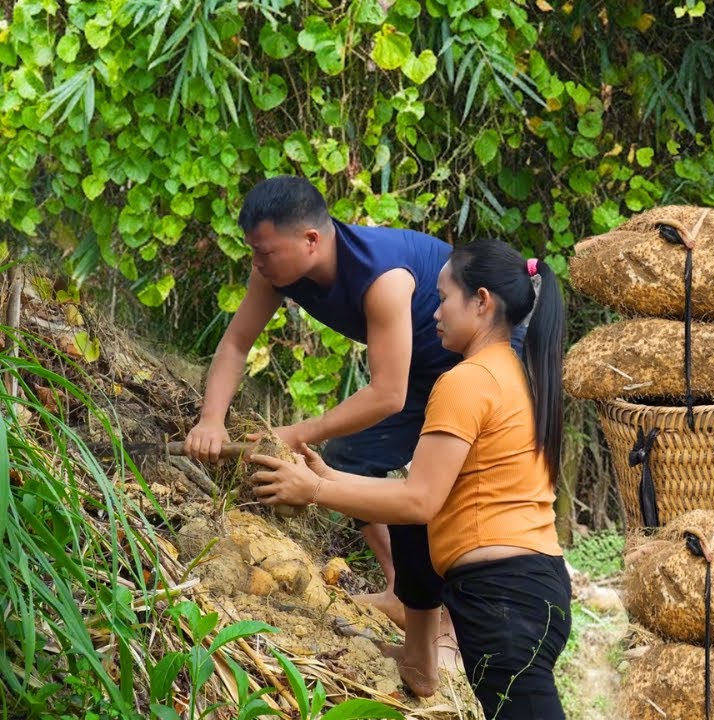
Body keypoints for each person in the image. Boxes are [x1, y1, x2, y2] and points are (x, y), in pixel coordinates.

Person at [249, 239, 571, 717]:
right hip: (530, 588)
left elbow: (418, 500)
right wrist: (329, 476)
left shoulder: (467, 381)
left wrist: (314, 491)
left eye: (442, 298)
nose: (435, 313)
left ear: (481, 302)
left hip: (501, 599)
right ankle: (419, 660)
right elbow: (418, 500)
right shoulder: (516, 373)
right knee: (410, 524)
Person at [183, 176, 518, 631]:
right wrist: (210, 420)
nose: (256, 262)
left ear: (311, 240)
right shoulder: (276, 271)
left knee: (459, 484)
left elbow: (387, 394)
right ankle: (404, 593)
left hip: (482, 348)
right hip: (422, 363)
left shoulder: (381, 278)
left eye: (265, 251)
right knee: (353, 458)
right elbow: (237, 344)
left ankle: (483, 618)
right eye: (253, 251)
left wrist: (294, 433)